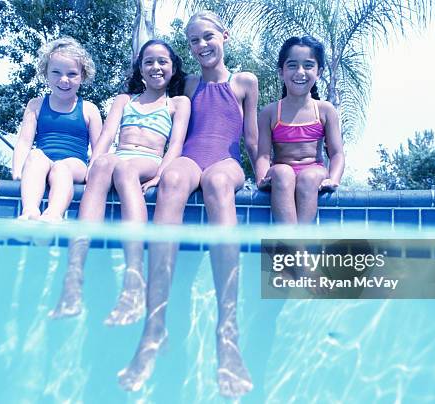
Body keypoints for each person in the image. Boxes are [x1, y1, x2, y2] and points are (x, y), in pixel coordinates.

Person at [117, 11, 258, 398]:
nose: (202, 46)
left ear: (224, 36)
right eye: (194, 41)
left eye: (208, 37)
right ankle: (154, 327)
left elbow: (251, 139)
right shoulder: (189, 84)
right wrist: (161, 168)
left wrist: (262, 173)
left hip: (225, 163)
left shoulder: (245, 81)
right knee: (175, 179)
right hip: (190, 157)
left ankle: (226, 334)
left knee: (216, 183)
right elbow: (170, 127)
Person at [49, 39, 190, 325]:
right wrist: (93, 164)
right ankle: (73, 280)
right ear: (139, 68)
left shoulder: (178, 103)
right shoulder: (125, 100)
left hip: (148, 160)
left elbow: (175, 144)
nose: (155, 67)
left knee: (123, 169)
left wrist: (161, 174)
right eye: (148, 61)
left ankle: (133, 282)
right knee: (103, 164)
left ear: (173, 68)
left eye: (162, 61)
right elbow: (107, 135)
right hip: (120, 156)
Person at [255, 36, 344, 224]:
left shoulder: (325, 110)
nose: (300, 72)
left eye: (308, 65)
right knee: (282, 172)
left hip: (314, 171)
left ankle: (296, 245)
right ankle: (297, 248)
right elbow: (263, 155)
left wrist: (333, 179)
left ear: (319, 72)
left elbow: (336, 153)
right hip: (281, 175)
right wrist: (262, 178)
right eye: (293, 65)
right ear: (281, 72)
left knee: (308, 176)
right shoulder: (270, 112)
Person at [12, 37, 102, 222]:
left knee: (62, 167)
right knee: (35, 155)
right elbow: (24, 142)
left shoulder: (89, 109)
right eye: (56, 72)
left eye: (72, 74)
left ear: (82, 76)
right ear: (45, 73)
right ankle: (30, 211)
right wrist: (17, 171)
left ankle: (54, 214)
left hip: (75, 163)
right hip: (44, 160)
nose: (64, 80)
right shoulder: (35, 105)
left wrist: (93, 177)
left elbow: (99, 149)